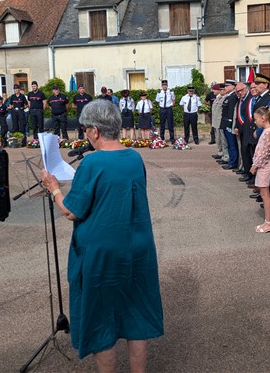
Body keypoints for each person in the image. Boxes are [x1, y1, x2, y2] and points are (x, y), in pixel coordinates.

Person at [40, 99, 164, 369]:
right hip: (138, 247)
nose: (85, 134)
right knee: (137, 314)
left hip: (102, 252)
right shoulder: (134, 156)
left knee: (99, 320)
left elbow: (72, 211)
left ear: (95, 130)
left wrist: (54, 188)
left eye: (85, 129)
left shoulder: (92, 163)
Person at [251, 106, 270, 233]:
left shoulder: (268, 132)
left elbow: (265, 152)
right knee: (263, 194)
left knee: (265, 196)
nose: (255, 122)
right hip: (263, 165)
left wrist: (255, 165)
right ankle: (267, 222)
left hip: (264, 166)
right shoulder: (267, 131)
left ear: (263, 118)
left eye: (256, 119)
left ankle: (268, 223)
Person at [219, 79, 239, 170]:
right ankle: (231, 160)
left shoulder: (233, 97)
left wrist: (230, 124)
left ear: (233, 87)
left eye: (227, 86)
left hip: (229, 124)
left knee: (232, 144)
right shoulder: (228, 97)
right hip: (225, 122)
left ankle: (233, 162)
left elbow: (231, 112)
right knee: (228, 143)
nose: (225, 87)